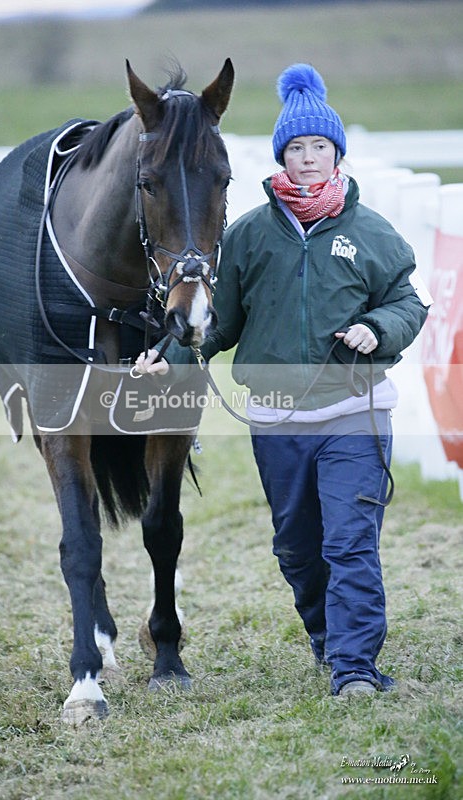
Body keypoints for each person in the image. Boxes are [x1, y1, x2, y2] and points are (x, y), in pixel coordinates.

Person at [136, 64, 430, 696]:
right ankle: (328, 639)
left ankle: (354, 668)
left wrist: (378, 329)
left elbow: (410, 302)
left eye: (319, 146)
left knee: (350, 543)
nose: (307, 159)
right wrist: (170, 353)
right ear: (281, 157)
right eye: (295, 148)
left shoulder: (371, 232)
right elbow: (217, 327)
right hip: (276, 420)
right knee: (297, 549)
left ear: (337, 153)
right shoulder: (246, 238)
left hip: (356, 411)